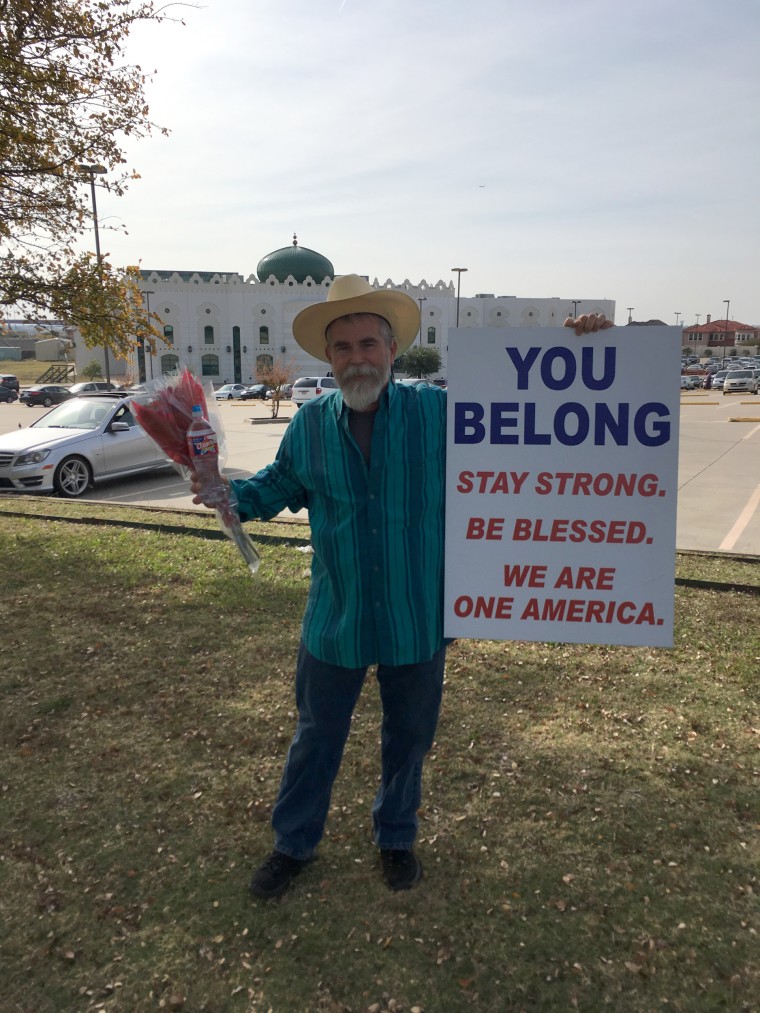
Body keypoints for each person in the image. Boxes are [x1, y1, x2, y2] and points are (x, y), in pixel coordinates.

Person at [190, 274, 611, 898]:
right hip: (338, 617)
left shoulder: (439, 414)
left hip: (417, 612)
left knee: (409, 740)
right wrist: (225, 494)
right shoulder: (309, 426)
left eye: (368, 344)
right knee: (315, 738)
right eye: (343, 348)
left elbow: (530, 419)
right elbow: (275, 488)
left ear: (391, 350)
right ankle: (293, 844)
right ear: (327, 357)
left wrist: (585, 352)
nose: (356, 357)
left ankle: (395, 835)